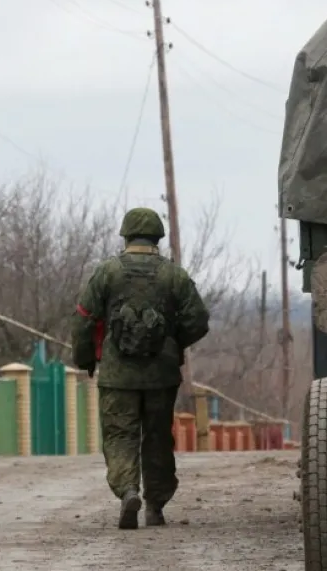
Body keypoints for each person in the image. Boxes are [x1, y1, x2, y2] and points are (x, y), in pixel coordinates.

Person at [72, 207, 210, 529]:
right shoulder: (173, 274)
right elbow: (198, 321)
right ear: (157, 238)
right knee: (158, 437)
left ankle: (128, 491)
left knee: (120, 435)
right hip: (161, 375)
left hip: (117, 375)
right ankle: (155, 505)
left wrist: (86, 358)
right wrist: (173, 343)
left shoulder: (107, 272)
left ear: (125, 236)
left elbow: (83, 318)